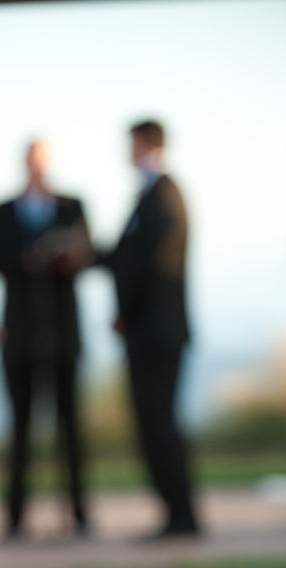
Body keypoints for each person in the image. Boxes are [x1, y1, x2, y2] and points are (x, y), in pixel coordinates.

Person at [0, 141, 93, 537]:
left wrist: (67, 258)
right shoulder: (0, 211)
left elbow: (90, 253)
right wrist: (28, 258)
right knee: (20, 428)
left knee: (72, 428)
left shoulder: (72, 206)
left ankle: (79, 513)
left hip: (64, 333)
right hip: (20, 335)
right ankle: (15, 517)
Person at [102, 121, 198, 538]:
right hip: (149, 330)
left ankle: (182, 516)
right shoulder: (151, 197)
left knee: (160, 423)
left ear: (143, 144)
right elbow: (127, 255)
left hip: (157, 331)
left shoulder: (164, 195)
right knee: (152, 423)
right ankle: (173, 513)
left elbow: (149, 265)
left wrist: (124, 309)